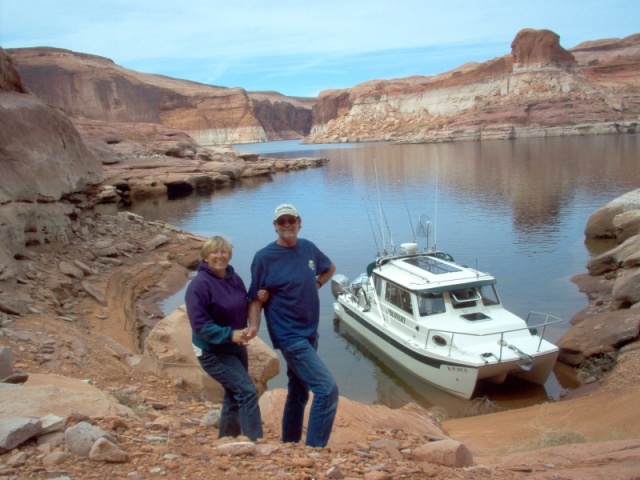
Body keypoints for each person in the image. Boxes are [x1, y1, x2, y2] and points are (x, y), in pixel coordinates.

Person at [246, 203, 338, 448]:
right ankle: (315, 450)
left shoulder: (308, 247)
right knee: (326, 389)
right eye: (281, 222)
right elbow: (255, 298)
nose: (287, 225)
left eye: (291, 220)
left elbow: (329, 268)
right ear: (275, 227)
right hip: (289, 335)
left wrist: (316, 284)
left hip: (310, 332)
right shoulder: (264, 257)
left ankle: (289, 443)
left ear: (299, 222)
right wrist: (253, 329)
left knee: (299, 390)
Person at [185, 235, 267, 441]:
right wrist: (231, 334)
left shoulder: (233, 278)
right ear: (205, 256)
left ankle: (227, 439)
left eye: (224, 252)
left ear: (229, 255)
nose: (219, 256)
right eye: (214, 251)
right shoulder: (199, 286)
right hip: (212, 351)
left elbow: (246, 300)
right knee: (247, 391)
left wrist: (259, 299)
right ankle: (254, 442)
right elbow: (201, 326)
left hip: (235, 347)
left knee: (234, 394)